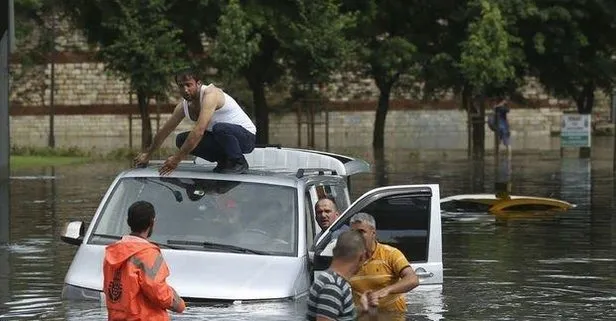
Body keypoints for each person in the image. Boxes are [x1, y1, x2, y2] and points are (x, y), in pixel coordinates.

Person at [134, 69, 257, 175]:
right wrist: (148, 155)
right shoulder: (183, 107)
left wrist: (177, 159)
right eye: (181, 86)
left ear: (198, 84)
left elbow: (199, 131)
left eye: (188, 85)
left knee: (219, 128)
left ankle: (239, 162)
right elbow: (164, 132)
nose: (185, 90)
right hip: (222, 139)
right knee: (181, 140)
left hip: (246, 138)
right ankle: (225, 160)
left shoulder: (210, 94)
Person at [103, 201, 185, 320]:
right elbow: (159, 293)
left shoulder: (112, 253)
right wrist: (179, 304)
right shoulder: (149, 254)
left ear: (128, 221)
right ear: (152, 222)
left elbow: (108, 288)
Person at [348, 212, 419, 315]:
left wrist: (386, 290)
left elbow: (413, 279)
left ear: (373, 233)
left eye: (361, 232)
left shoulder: (390, 254)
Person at [306, 230, 375, 321]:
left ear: (334, 252)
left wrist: (361, 309)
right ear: (362, 257)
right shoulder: (333, 286)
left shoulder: (331, 280)